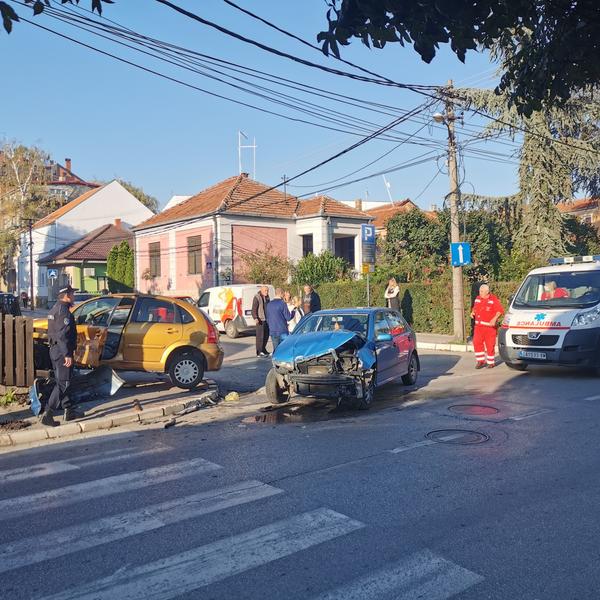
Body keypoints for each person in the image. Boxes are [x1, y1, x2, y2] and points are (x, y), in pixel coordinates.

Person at [41, 285, 84, 426]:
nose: (74, 296)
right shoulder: (63, 312)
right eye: (72, 293)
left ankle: (69, 411)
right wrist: (67, 354)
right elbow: (62, 335)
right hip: (61, 352)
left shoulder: (55, 308)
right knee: (63, 383)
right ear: (66, 295)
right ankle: (48, 413)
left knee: (63, 380)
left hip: (55, 351)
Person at [471, 283, 504, 369]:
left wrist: (494, 319)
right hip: (478, 327)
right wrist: (473, 312)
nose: (480, 293)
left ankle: (490, 362)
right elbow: (475, 308)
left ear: (487, 291)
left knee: (490, 345)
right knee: (476, 342)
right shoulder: (477, 299)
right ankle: (480, 361)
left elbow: (499, 311)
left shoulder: (493, 300)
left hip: (489, 328)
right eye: (480, 291)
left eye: (482, 291)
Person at [251, 286, 270, 357]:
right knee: (260, 337)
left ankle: (263, 350)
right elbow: (254, 309)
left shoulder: (267, 297)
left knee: (266, 335)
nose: (266, 292)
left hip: (267, 319)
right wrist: (255, 318)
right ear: (261, 290)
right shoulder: (257, 297)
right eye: (265, 290)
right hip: (260, 319)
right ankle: (259, 352)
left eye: (267, 290)